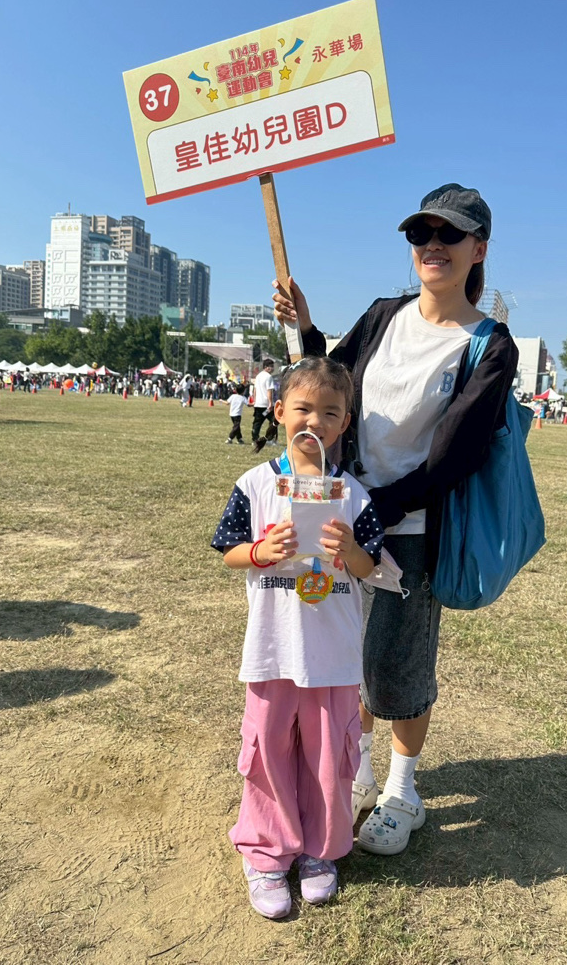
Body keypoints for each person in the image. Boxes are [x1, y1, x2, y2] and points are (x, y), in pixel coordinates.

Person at [273, 183, 519, 856]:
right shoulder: (385, 315)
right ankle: (358, 772)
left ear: (478, 249)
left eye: (449, 234)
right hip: (344, 516)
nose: (433, 245)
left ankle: (402, 793)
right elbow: (334, 380)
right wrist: (306, 328)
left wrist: (376, 511)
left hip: (412, 530)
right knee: (344, 652)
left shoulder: (490, 344)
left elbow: (458, 455)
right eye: (421, 233)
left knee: (396, 666)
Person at [212, 357, 385, 918]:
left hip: (332, 658)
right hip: (272, 651)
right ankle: (266, 851)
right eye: (304, 408)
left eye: (331, 412)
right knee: (267, 752)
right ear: (280, 410)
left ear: (345, 423)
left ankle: (320, 850)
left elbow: (372, 566)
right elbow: (229, 550)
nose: (316, 420)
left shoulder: (353, 495)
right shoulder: (255, 485)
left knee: (329, 757)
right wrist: (261, 552)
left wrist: (350, 552)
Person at [250, 358, 275, 452]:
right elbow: (269, 391)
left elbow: (255, 390)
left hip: (258, 404)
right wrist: (270, 403)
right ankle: (270, 439)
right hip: (266, 405)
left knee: (257, 422)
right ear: (266, 367)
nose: (273, 368)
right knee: (274, 421)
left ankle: (254, 439)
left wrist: (255, 400)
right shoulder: (268, 377)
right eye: (271, 366)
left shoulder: (258, 376)